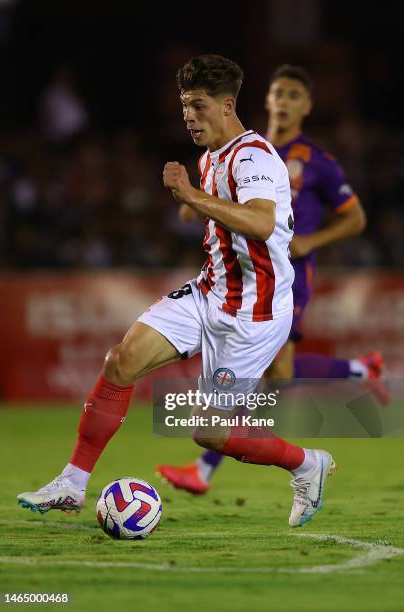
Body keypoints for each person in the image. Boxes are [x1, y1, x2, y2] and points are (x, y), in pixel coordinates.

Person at [17, 55, 335, 528]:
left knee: (209, 432)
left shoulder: (255, 156)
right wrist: (195, 201)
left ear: (228, 105)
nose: (188, 115)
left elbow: (263, 222)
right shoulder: (210, 158)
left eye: (198, 105)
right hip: (208, 292)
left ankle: (308, 464)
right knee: (120, 360)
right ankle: (72, 482)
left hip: (255, 315)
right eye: (185, 105)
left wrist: (191, 197)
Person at [157, 64, 388, 496]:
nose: (282, 102)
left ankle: (207, 466)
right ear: (265, 100)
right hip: (238, 276)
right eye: (277, 93)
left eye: (293, 95)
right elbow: (202, 204)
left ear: (307, 106)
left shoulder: (317, 162)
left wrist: (311, 241)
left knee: (275, 373)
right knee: (272, 375)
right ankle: (360, 370)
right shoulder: (234, 147)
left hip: (288, 275)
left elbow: (356, 218)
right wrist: (196, 198)